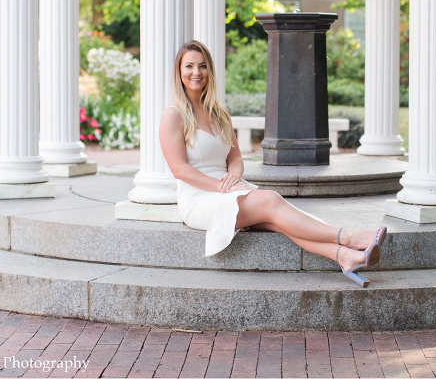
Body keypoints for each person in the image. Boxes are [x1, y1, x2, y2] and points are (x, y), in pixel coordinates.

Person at [159, 40, 387, 287]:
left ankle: (345, 256)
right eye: (189, 66)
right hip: (199, 197)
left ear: (210, 71)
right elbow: (179, 169)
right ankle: (350, 237)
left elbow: (234, 158)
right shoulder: (174, 114)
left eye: (202, 66)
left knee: (279, 221)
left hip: (228, 188)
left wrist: (234, 177)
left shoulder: (220, 112)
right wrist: (221, 186)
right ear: (179, 71)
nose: (196, 72)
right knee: (271, 201)